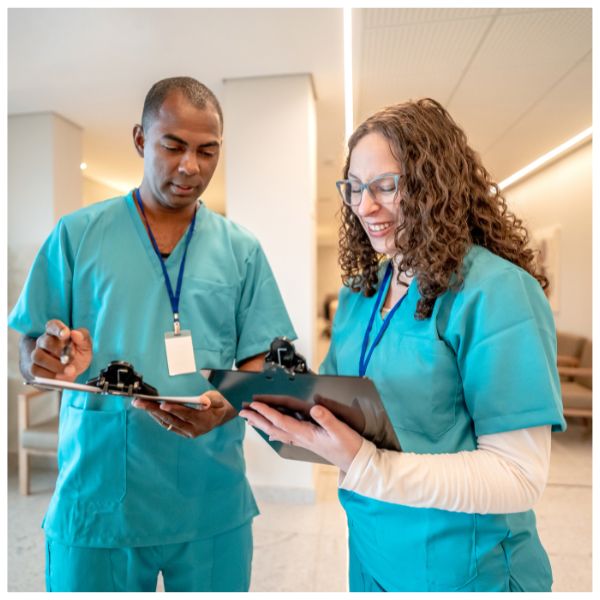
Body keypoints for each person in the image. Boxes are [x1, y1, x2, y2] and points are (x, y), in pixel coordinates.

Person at [241, 98, 566, 592]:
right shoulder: (361, 293)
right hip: (372, 551)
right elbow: (339, 413)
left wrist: (371, 468)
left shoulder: (494, 291)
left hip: (464, 567)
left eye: (385, 186)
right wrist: (281, 411)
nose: (365, 206)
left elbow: (519, 475)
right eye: (353, 188)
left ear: (435, 186)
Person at [8, 76, 296, 592]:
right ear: (141, 139)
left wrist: (229, 403)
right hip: (99, 494)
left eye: (207, 151)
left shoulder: (240, 250)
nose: (191, 166)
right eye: (173, 146)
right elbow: (31, 347)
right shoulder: (77, 235)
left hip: (209, 495)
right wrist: (43, 358)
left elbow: (266, 360)